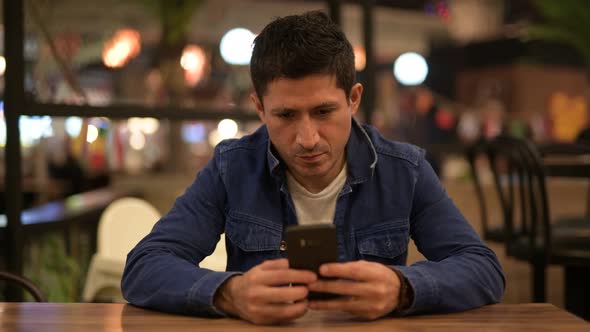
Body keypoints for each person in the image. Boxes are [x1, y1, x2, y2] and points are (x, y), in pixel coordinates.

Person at [122, 11, 505, 325]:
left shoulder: (404, 169)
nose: (307, 138)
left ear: (353, 99)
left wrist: (402, 288)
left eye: (323, 112)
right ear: (259, 109)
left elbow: (483, 269)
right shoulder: (232, 167)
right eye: (286, 115)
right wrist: (229, 293)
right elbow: (144, 267)